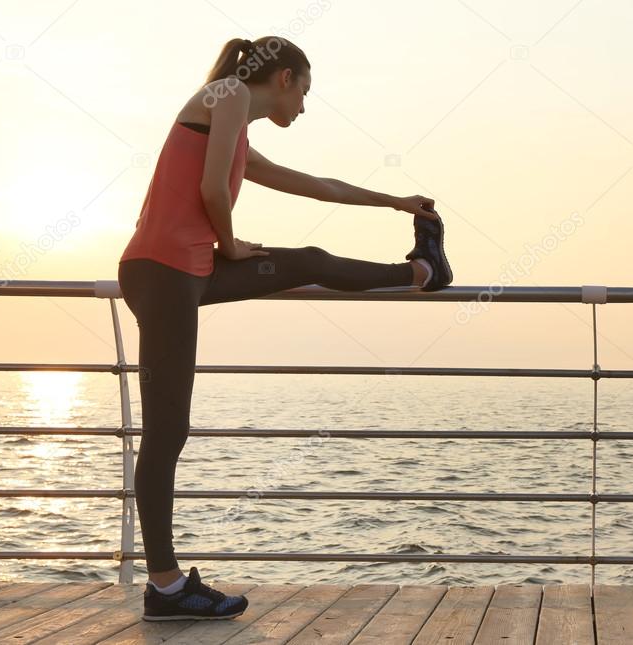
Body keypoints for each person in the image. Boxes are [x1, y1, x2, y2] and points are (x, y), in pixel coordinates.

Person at [117, 35, 452, 621]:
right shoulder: (224, 94)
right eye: (305, 93)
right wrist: (231, 245)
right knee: (167, 432)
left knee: (310, 259)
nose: (303, 106)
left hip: (194, 270)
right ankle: (166, 589)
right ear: (285, 78)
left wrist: (395, 203)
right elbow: (211, 189)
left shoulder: (238, 127)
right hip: (165, 273)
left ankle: (422, 270)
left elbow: (318, 186)